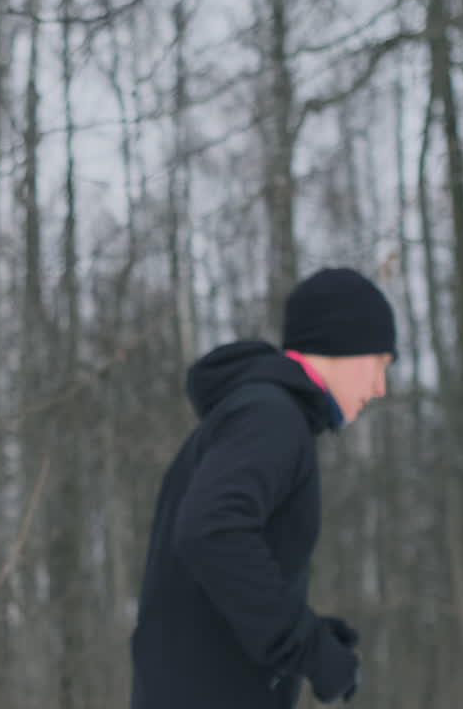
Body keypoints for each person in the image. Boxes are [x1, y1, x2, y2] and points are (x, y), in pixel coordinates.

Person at [131, 267, 396, 708]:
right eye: (378, 364)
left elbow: (212, 576)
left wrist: (309, 632)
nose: (380, 387)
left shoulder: (258, 413)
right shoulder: (271, 417)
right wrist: (305, 644)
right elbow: (211, 531)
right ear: (340, 345)